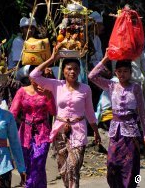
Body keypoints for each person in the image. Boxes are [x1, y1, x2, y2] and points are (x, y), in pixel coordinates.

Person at [29, 52, 101, 188]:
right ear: (63, 71)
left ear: (79, 71)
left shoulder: (86, 89)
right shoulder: (56, 85)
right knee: (63, 168)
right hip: (59, 130)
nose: (72, 71)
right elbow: (33, 75)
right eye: (69, 68)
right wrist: (52, 58)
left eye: (75, 69)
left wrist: (96, 131)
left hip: (78, 129)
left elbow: (90, 112)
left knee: (73, 165)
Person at [88, 54, 145, 188]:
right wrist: (105, 58)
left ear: (130, 73)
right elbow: (92, 76)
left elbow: (143, 112)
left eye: (125, 71)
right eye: (119, 71)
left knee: (130, 165)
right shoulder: (111, 85)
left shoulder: (136, 88)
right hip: (115, 132)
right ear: (116, 72)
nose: (122, 74)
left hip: (131, 133)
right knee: (112, 165)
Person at [10, 66, 56, 188]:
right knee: (28, 165)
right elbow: (13, 112)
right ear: (30, 77)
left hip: (43, 132)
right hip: (25, 132)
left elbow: (53, 112)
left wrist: (49, 97)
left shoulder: (47, 91)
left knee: (39, 162)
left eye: (41, 76)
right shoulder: (22, 91)